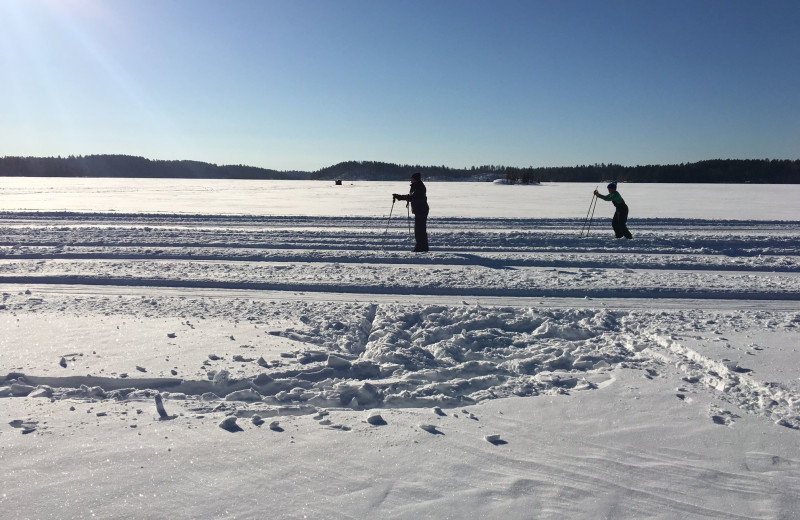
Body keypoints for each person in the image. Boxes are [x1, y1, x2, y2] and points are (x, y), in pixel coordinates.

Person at [393, 172, 429, 252]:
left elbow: (412, 197)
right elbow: (411, 197)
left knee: (419, 230)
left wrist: (399, 197)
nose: (411, 180)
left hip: (421, 210)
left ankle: (420, 247)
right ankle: (423, 247)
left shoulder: (419, 187)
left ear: (416, 179)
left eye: (412, 179)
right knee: (420, 229)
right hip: (419, 210)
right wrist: (400, 197)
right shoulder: (416, 186)